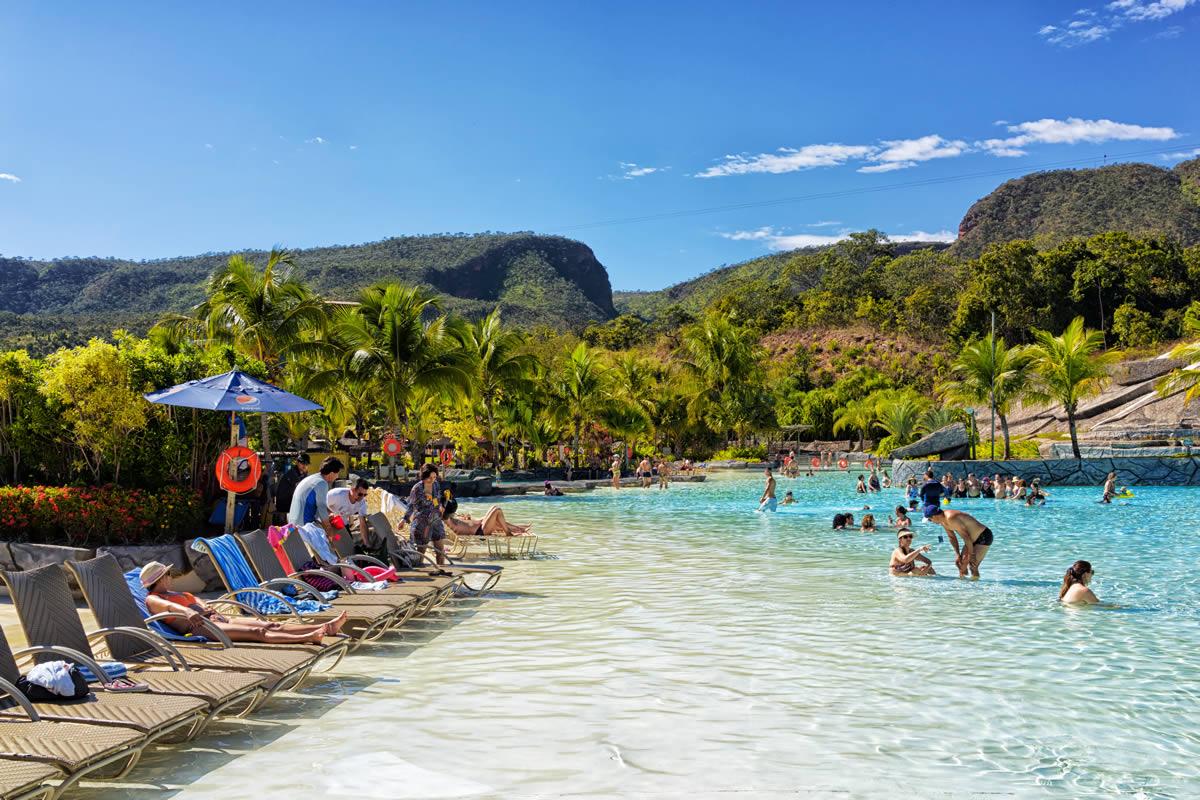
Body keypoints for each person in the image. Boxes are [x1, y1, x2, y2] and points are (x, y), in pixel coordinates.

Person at [141, 561, 346, 644]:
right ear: (160, 579)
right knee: (258, 633)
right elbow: (170, 608)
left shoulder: (173, 591)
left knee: (270, 624)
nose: (171, 576)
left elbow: (197, 599)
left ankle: (324, 628)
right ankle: (310, 637)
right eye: (168, 574)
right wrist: (187, 612)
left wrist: (203, 607)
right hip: (202, 629)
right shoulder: (154, 599)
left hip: (216, 620)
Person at [926, 506, 993, 579]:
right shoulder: (943, 521)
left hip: (983, 536)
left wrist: (971, 555)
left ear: (934, 516)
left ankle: (976, 586)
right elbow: (952, 537)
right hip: (970, 540)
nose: (931, 522)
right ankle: (963, 586)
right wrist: (957, 555)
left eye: (930, 520)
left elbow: (966, 537)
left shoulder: (951, 518)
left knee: (973, 565)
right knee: (961, 564)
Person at [405, 463, 448, 564]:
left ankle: (442, 573)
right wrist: (404, 519)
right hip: (421, 523)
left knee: (440, 551)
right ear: (424, 476)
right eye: (430, 477)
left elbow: (436, 499)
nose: (432, 480)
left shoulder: (436, 484)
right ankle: (420, 575)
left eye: (434, 477)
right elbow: (411, 505)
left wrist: (439, 506)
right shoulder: (417, 488)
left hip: (436, 520)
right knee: (421, 554)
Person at [287, 457, 343, 531]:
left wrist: (331, 513)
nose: (337, 476)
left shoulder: (313, 478)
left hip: (293, 523)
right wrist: (329, 530)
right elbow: (321, 509)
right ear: (331, 473)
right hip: (303, 526)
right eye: (337, 473)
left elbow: (319, 504)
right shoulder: (322, 483)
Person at [442, 499, 532, 537]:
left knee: (495, 515)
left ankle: (519, 528)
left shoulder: (451, 516)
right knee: (497, 509)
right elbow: (445, 514)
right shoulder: (446, 518)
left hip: (480, 525)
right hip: (480, 531)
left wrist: (465, 518)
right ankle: (508, 533)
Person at [327, 477, 371, 549]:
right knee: (332, 547)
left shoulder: (362, 503)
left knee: (349, 547)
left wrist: (367, 544)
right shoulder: (336, 495)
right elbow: (320, 506)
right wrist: (329, 514)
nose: (362, 497)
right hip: (327, 523)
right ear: (352, 490)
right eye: (360, 494)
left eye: (365, 495)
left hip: (342, 524)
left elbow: (362, 523)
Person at [274, 453, 310, 521]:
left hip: (291, 501)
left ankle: (301, 527)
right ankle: (296, 528)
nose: (304, 465)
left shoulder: (302, 473)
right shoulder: (292, 474)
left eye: (306, 464)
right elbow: (298, 491)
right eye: (302, 463)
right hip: (284, 504)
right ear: (297, 463)